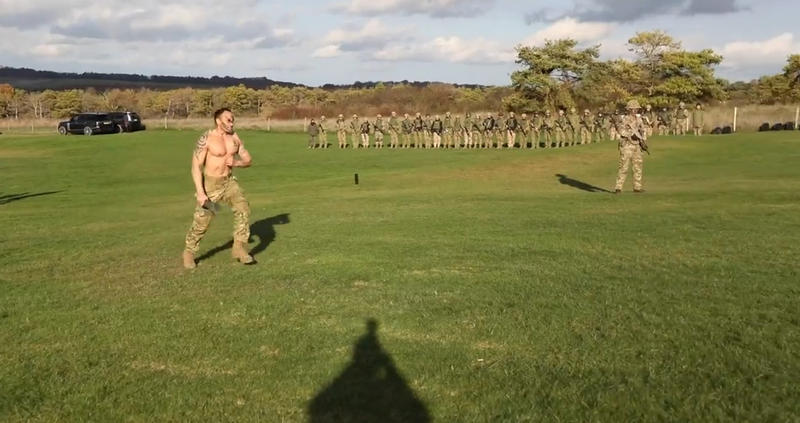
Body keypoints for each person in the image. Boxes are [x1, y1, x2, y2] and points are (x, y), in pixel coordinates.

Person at [183, 108, 253, 269]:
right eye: (228, 120)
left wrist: (237, 163)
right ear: (218, 121)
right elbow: (195, 167)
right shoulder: (207, 138)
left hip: (229, 182)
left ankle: (239, 248)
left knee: (243, 209)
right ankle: (189, 252)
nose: (232, 123)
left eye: (233, 119)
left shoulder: (234, 137)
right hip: (210, 185)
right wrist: (201, 193)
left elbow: (248, 160)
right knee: (203, 221)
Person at [614, 100, 648, 194]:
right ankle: (618, 187)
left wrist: (643, 141)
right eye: (632, 109)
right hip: (626, 145)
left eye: (636, 109)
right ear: (628, 109)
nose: (634, 111)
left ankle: (637, 187)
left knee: (638, 166)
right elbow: (620, 130)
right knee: (623, 167)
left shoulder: (639, 119)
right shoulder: (624, 119)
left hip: (637, 145)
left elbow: (643, 130)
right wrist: (630, 134)